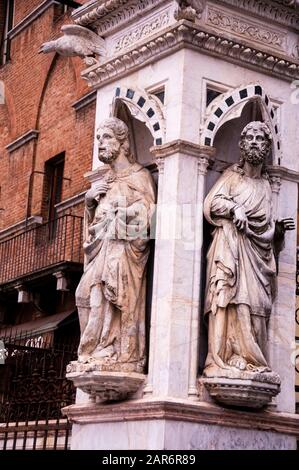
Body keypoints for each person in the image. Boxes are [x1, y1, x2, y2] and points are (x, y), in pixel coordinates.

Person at [203, 121, 294, 376]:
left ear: (267, 147)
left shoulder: (266, 186)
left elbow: (265, 231)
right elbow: (211, 205)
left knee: (256, 307)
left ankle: (252, 360)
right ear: (241, 145)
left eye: (261, 139)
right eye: (250, 138)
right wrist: (234, 208)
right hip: (230, 249)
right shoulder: (231, 177)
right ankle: (224, 357)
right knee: (230, 301)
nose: (255, 142)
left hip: (257, 257)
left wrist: (276, 233)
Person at [75, 117, 156, 372]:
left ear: (123, 143)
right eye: (98, 138)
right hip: (101, 249)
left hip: (123, 253)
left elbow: (151, 214)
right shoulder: (104, 182)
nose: (100, 143)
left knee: (108, 296)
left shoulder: (140, 176)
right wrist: (89, 202)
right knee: (83, 294)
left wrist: (121, 215)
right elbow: (91, 230)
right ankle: (93, 349)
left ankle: (115, 351)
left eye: (106, 137)